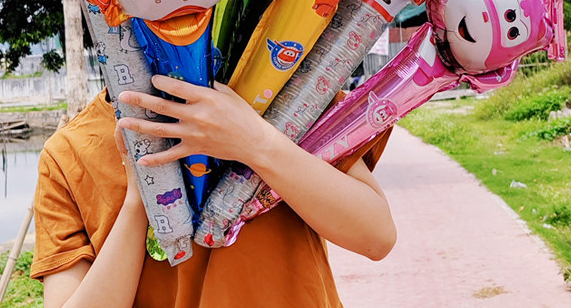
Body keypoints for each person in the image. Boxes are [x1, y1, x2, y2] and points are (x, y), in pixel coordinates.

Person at [31, 74, 396, 308]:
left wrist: (255, 142)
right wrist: (140, 195)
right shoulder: (71, 152)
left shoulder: (288, 93)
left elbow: (376, 236)